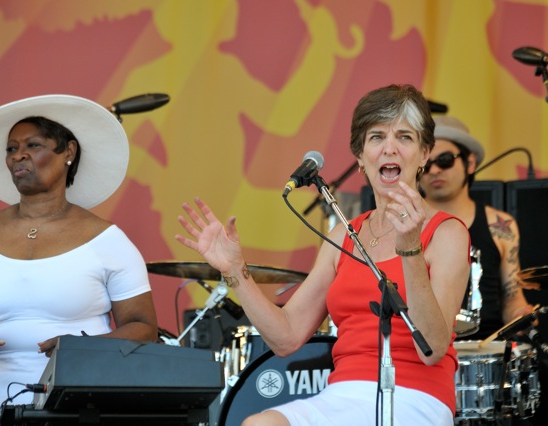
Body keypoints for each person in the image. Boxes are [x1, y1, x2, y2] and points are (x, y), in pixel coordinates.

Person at [176, 84, 470, 425]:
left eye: (404, 137)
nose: (390, 148)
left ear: (423, 154)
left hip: (416, 397)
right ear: (360, 157)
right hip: (343, 394)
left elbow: (432, 348)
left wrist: (409, 248)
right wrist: (235, 270)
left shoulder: (448, 232)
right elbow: (287, 336)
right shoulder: (343, 235)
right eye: (376, 137)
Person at [0, 94, 158, 424]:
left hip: (76, 411)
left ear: (68, 151)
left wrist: (80, 348)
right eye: (11, 148)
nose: (18, 155)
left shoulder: (108, 240)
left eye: (33, 145)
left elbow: (144, 329)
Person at [419, 115, 533, 341]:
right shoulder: (403, 226)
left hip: (486, 352)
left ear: (469, 163)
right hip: (422, 350)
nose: (434, 171)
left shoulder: (500, 225)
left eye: (445, 160)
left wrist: (520, 315)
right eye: (426, 164)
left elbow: (512, 298)